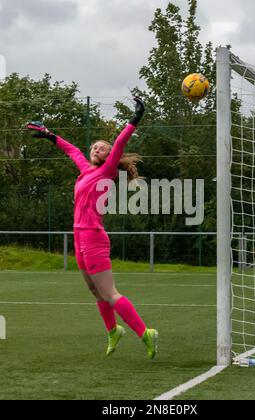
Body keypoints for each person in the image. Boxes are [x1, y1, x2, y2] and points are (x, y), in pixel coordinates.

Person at [26, 97, 158, 359]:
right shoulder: (86, 171)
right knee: (94, 290)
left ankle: (145, 333)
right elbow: (72, 150)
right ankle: (113, 331)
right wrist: (50, 135)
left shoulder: (107, 171)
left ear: (110, 157)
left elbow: (120, 143)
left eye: (102, 147)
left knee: (109, 293)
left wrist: (135, 119)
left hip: (93, 237)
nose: (97, 148)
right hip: (79, 235)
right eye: (95, 146)